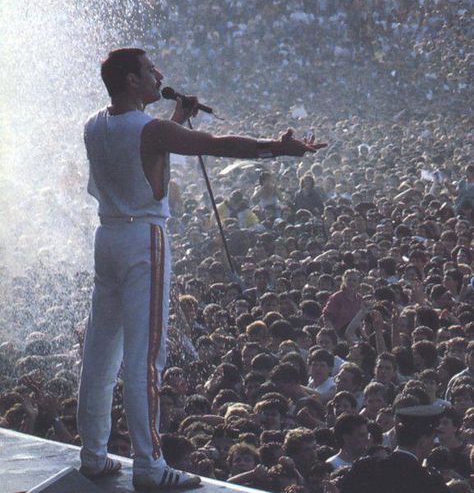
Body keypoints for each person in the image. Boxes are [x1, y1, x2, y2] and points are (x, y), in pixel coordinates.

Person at [77, 47, 326, 491]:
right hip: (143, 241)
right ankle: (150, 467)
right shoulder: (149, 129)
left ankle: (94, 456)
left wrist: (174, 114)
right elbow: (215, 145)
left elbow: (145, 147)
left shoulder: (95, 123)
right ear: (132, 80)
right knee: (144, 359)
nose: (158, 74)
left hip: (108, 236)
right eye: (150, 69)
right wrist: (277, 149)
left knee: (99, 354)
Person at [339, 404, 449, 493]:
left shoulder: (365, 468)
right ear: (423, 441)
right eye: (432, 438)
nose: (433, 443)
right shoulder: (429, 481)